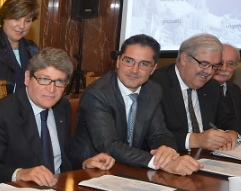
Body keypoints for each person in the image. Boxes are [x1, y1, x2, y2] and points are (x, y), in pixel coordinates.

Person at [0, 48, 115, 187]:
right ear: (27, 78)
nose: (51, 90)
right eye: (44, 79)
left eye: (59, 82)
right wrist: (21, 173)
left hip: (61, 186)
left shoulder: (62, 106)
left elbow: (65, 154)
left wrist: (85, 162)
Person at [71, 34, 201, 176]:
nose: (134, 70)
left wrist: (167, 151)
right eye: (129, 61)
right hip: (92, 171)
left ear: (153, 69)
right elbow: (109, 145)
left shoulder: (152, 90)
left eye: (144, 64)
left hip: (130, 168)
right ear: (118, 61)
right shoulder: (97, 94)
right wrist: (160, 163)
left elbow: (160, 134)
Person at [150, 34, 241, 151]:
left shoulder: (211, 86)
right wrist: (196, 140)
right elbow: (150, 136)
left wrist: (232, 134)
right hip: (172, 156)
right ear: (185, 58)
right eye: (204, 64)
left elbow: (229, 120)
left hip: (206, 157)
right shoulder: (155, 85)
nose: (209, 72)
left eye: (214, 66)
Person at [215, 43, 241, 138]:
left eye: (230, 64)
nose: (224, 68)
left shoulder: (234, 89)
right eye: (220, 63)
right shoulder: (200, 90)